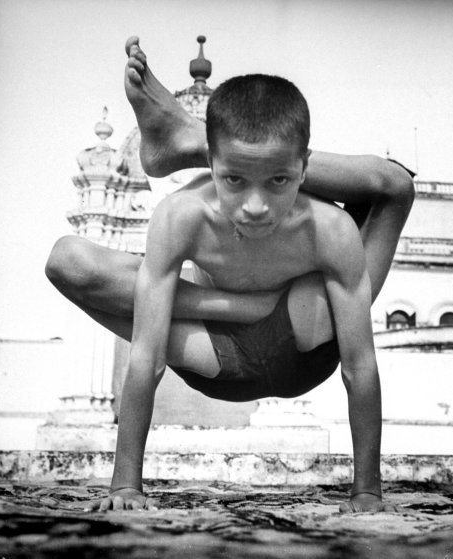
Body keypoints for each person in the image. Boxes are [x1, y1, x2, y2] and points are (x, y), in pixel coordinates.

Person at [45, 36, 415, 514]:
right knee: (66, 258)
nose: (255, 207)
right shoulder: (183, 216)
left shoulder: (329, 228)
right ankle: (203, 149)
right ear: (213, 168)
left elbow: (359, 365)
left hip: (307, 348)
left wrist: (367, 493)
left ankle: (192, 137)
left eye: (279, 180)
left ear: (304, 170)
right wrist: (125, 487)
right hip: (217, 358)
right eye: (234, 179)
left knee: (392, 191)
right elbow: (147, 357)